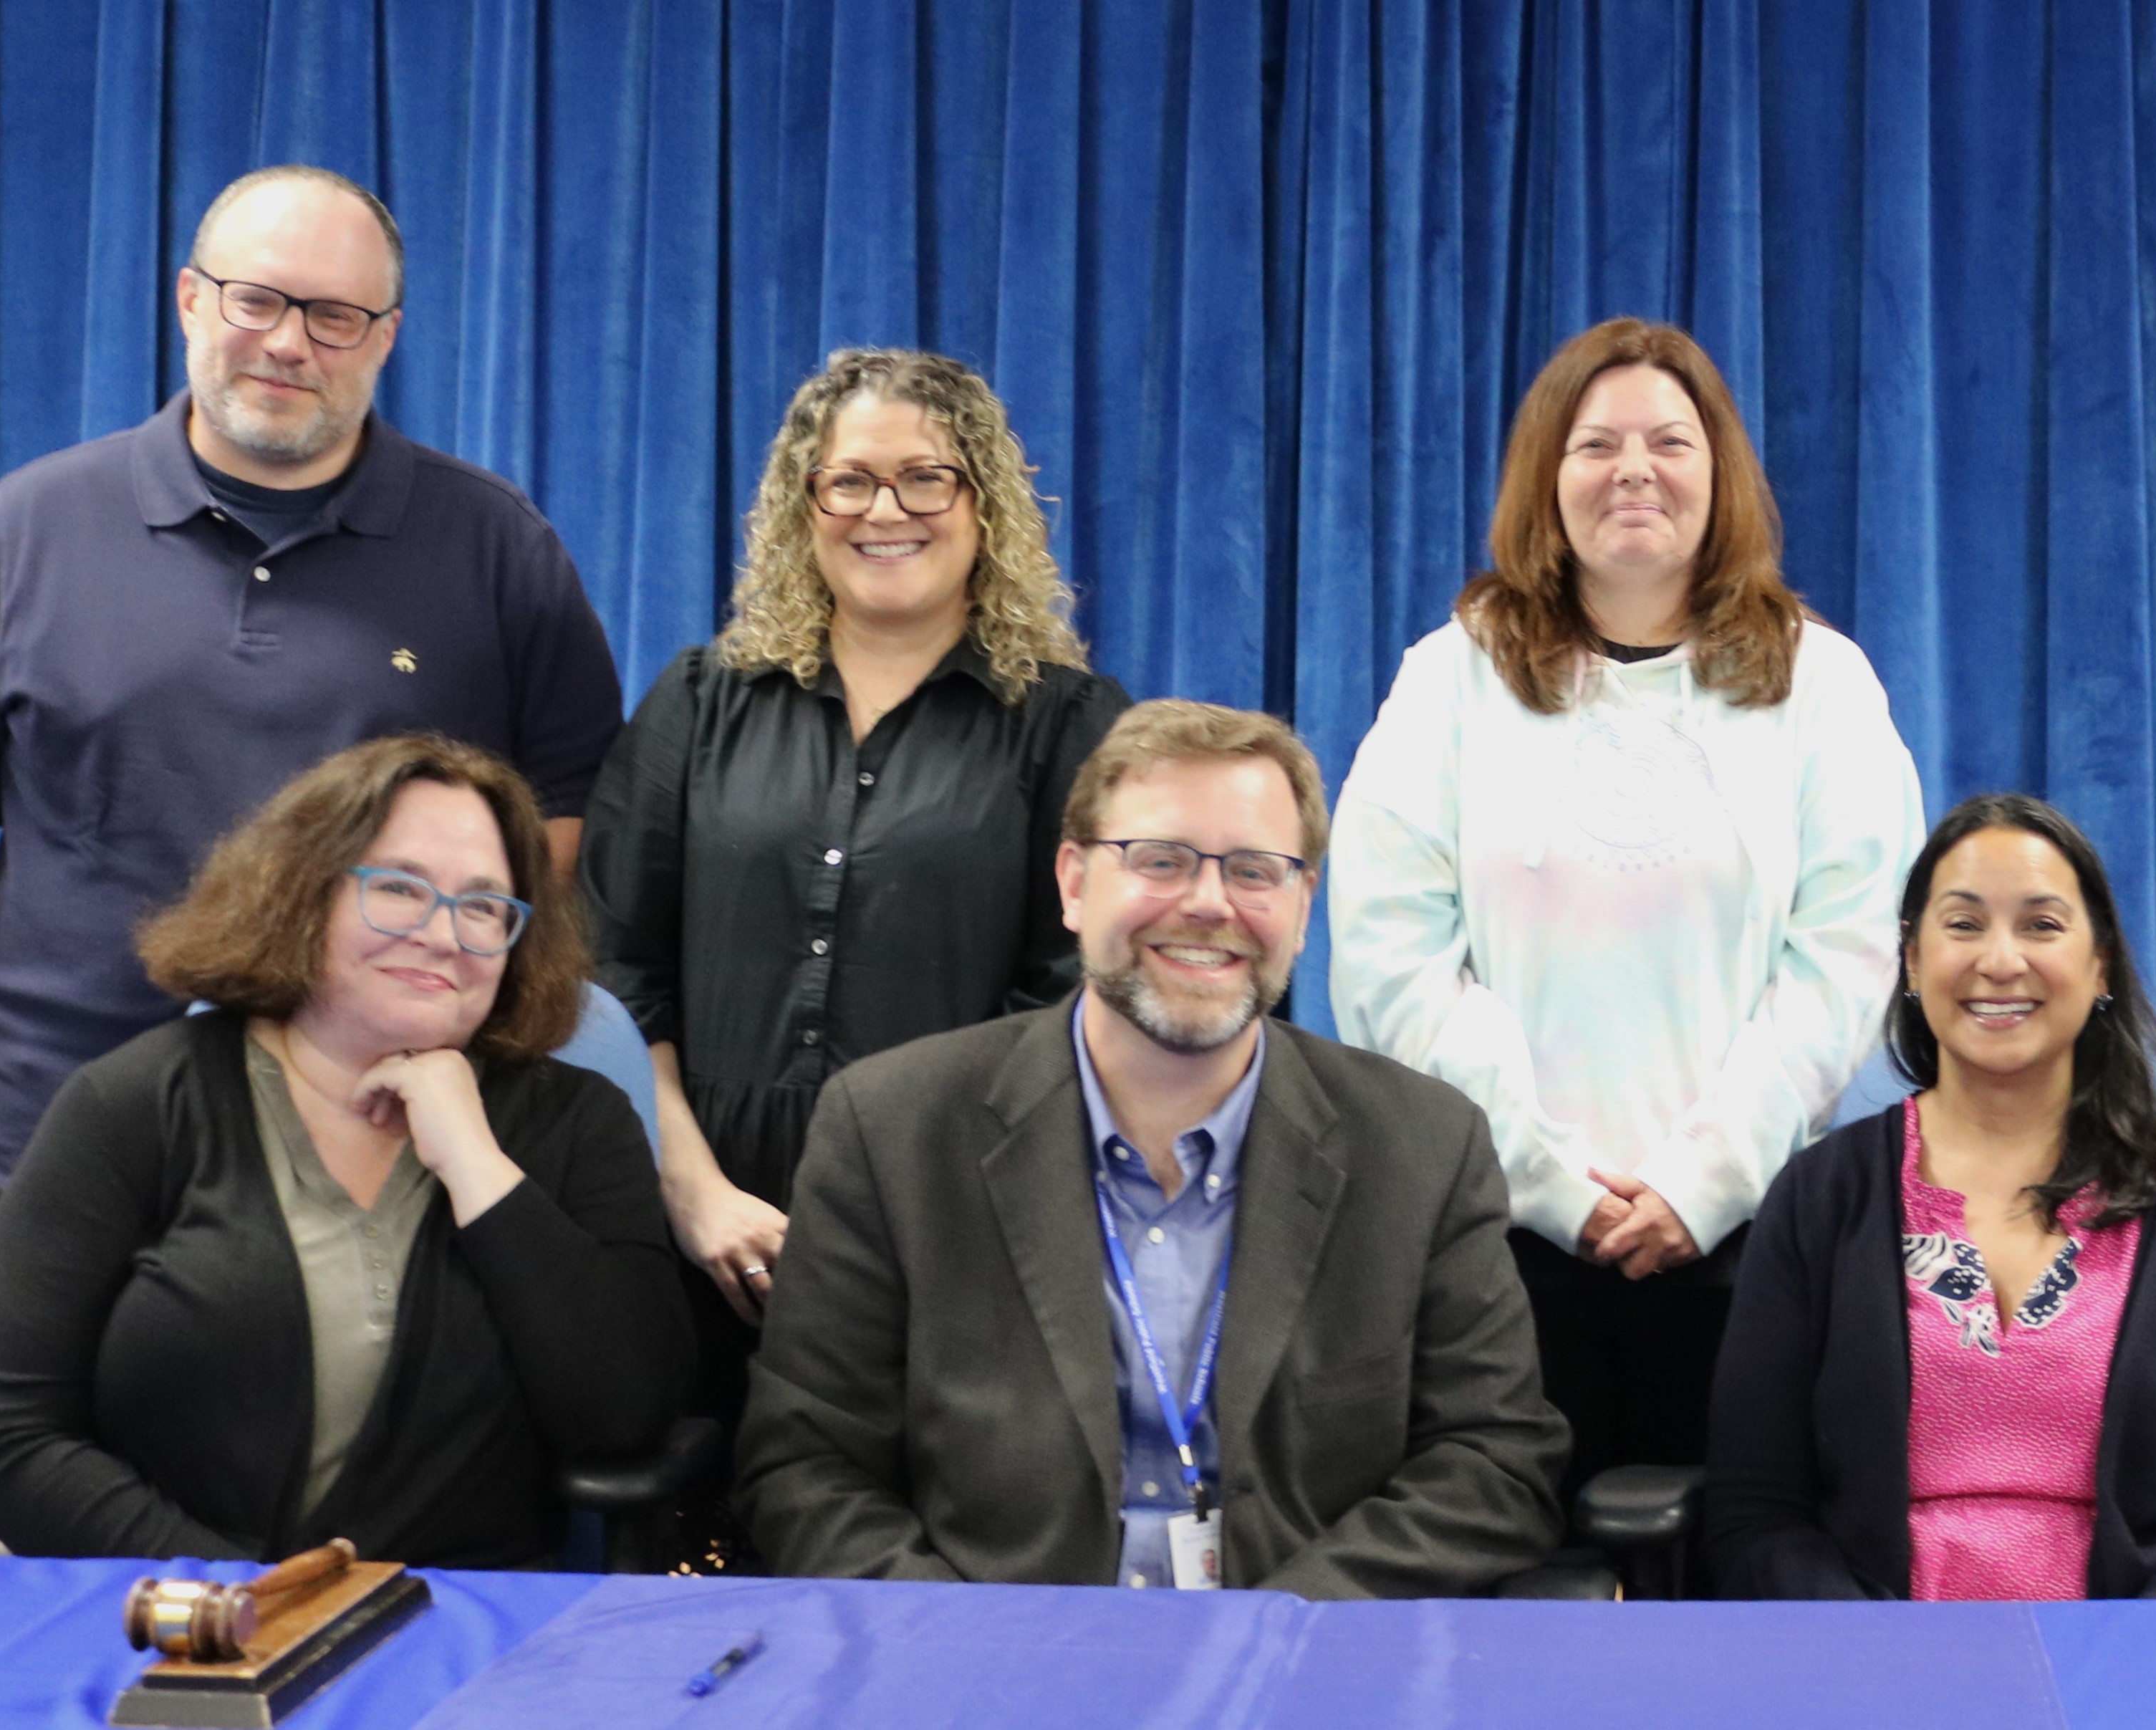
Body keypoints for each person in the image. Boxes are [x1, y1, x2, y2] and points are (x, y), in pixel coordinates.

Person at [0, 164, 625, 1321]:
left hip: (381, 1158)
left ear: (387, 336)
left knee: (351, 1504)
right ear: (191, 300)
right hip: (56, 1146)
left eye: (335, 316)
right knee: (50, 1485)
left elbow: (551, 846)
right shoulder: (29, 529)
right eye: (257, 300)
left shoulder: (498, 551)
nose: (289, 343)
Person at [738, 700, 1568, 1595]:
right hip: (996, 1669)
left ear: (1302, 905)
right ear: (1072, 882)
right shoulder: (892, 1129)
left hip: (1306, 1671)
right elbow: (806, 1468)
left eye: (1256, 870)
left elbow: (1496, 1461)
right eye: (1160, 860)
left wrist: (1281, 1630)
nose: (1209, 904)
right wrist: (972, 1652)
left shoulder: (1422, 1148)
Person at [1329, 317, 1924, 1493]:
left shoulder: (1821, 683)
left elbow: (1845, 959)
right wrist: (1550, 1184)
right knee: (1503, 1620)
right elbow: (1386, 958)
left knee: (1738, 1618)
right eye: (1595, 445)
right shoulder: (1448, 676)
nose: (1633, 471)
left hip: (1750, 1245)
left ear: (1721, 474)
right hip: (1492, 1248)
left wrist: (1702, 1181)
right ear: (1547, 478)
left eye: (1668, 441)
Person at [0, 737, 688, 1565]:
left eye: (484, 907)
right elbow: (7, 1440)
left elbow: (628, 1418)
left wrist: (478, 1166)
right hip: (173, 1625)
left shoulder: (579, 1122)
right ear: (302, 894)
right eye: (401, 889)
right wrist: (243, 1601)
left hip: (455, 1637)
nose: (445, 936)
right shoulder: (130, 1106)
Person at [578, 348, 1131, 1416]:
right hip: (697, 1228)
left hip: (955, 1227)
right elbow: (613, 967)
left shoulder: (1068, 722)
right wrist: (694, 1195)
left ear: (984, 505)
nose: (888, 509)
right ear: (807, 502)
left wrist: (910, 1209)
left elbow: (1073, 997)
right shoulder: (700, 702)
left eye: (927, 477)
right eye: (851, 479)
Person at [1706, 794, 2156, 1601]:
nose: (1999, 960)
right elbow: (1755, 1513)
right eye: (1963, 924)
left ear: (2100, 967)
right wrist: (1873, 1655)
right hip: (1880, 1664)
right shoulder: (1820, 1198)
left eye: (2041, 925)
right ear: (1912, 962)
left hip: (2133, 1661)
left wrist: (2137, 1654)